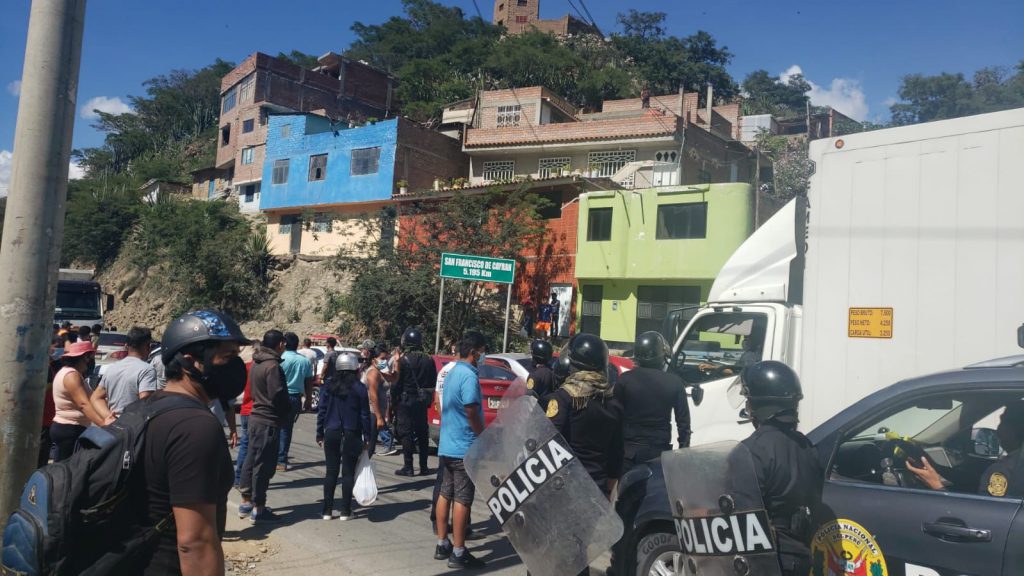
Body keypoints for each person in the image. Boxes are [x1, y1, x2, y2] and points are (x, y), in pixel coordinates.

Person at [136, 309, 249, 575]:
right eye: (228, 357)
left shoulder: (142, 408)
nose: (236, 366)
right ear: (191, 362)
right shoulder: (196, 427)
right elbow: (195, 543)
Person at [737, 361, 823, 576]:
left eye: (748, 400)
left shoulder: (751, 451)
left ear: (758, 405)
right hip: (800, 556)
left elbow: (742, 513)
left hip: (766, 558)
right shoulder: (807, 446)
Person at [547, 334, 624, 498]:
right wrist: (609, 490)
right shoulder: (612, 401)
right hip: (597, 487)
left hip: (565, 484)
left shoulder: (564, 396)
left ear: (573, 364)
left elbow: (547, 441)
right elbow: (617, 452)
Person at [434, 331, 488, 569]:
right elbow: (471, 411)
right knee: (463, 499)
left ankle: (442, 543)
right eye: (482, 351)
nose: (483, 356)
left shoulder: (452, 371)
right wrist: (483, 436)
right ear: (474, 351)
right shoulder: (468, 376)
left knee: (445, 494)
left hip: (447, 444)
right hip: (463, 447)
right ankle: (458, 551)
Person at [908, 401, 1024, 497]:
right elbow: (968, 479)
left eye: (1002, 422)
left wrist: (936, 485)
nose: (998, 429)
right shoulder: (1015, 465)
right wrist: (937, 468)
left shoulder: (1004, 470)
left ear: (1012, 430)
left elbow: (986, 517)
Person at [616, 331, 691, 470]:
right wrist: (683, 453)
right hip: (660, 454)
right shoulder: (674, 382)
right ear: (661, 354)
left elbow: (614, 419)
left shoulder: (624, 381)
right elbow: (683, 425)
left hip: (628, 454)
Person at [238, 330, 291, 524]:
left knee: (251, 460)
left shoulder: (256, 364)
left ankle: (246, 501)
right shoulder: (272, 366)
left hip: (255, 416)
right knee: (264, 464)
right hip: (268, 420)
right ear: (280, 344)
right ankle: (258, 508)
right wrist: (288, 412)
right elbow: (277, 394)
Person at [316, 352, 371, 521]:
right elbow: (364, 415)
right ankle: (346, 511)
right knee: (348, 473)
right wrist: (367, 436)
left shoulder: (328, 386)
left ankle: (327, 510)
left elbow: (322, 411)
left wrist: (319, 432)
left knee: (330, 472)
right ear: (355, 368)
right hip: (351, 433)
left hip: (331, 432)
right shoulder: (359, 388)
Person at [50, 340, 106, 461]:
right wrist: (103, 424)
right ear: (84, 357)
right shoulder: (71, 375)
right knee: (68, 470)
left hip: (68, 427)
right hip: (70, 428)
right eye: (90, 356)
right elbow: (83, 404)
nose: (90, 361)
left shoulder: (70, 373)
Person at [392, 326, 437, 476]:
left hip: (405, 400)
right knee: (422, 432)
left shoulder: (403, 360)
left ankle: (408, 466)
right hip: (422, 401)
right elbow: (433, 381)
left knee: (406, 433)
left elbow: (397, 383)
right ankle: (423, 467)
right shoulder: (429, 359)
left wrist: (394, 402)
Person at [90, 326, 158, 420]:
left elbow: (95, 398)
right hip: (134, 426)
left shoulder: (112, 368)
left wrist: (109, 418)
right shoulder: (147, 369)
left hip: (114, 427)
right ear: (148, 346)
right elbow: (145, 403)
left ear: (126, 346)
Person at [278, 331, 313, 471]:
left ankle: (271, 458)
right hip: (294, 398)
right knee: (286, 429)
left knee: (274, 427)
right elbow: (309, 382)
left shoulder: (279, 358)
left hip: (278, 395)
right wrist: (308, 399)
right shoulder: (304, 361)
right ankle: (281, 461)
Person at [364, 342, 395, 457]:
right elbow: (373, 396)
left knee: (370, 447)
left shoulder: (381, 369)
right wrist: (379, 417)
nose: (385, 361)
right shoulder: (373, 372)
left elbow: (393, 378)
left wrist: (396, 362)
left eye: (386, 358)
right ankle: (358, 472)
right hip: (371, 412)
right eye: (382, 358)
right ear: (373, 359)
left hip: (377, 412)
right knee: (369, 446)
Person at [234, 356, 254, 488]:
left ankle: (238, 478)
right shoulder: (269, 367)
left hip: (245, 409)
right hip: (256, 412)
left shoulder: (247, 366)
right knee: (254, 449)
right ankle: (246, 481)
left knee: (245, 446)